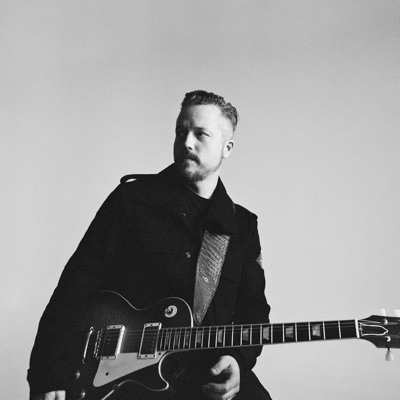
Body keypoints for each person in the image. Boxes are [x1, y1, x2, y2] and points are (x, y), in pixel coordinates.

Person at [28, 90, 272, 400]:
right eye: (181, 132)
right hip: (123, 379)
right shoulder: (133, 201)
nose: (186, 142)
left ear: (227, 147)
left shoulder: (241, 227)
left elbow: (253, 310)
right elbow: (76, 286)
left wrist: (238, 359)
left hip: (204, 374)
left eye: (201, 134)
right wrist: (50, 374)